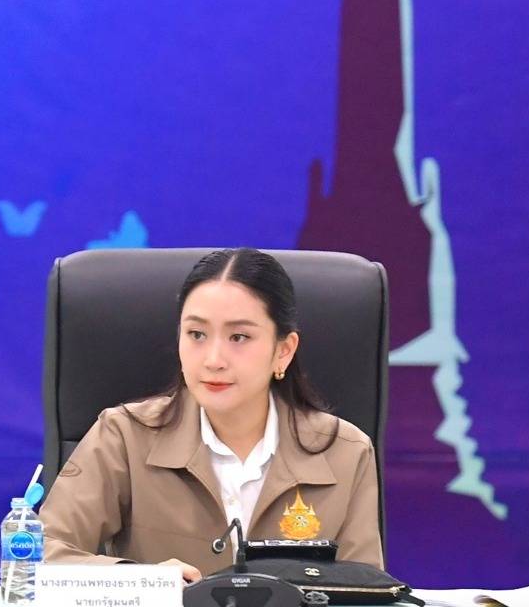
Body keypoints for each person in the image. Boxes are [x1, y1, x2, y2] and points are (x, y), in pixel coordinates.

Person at [42, 247, 383, 580]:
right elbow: (42, 553)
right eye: (197, 335)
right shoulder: (123, 436)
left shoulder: (345, 452)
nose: (213, 359)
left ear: (283, 350)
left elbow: (367, 592)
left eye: (239, 337)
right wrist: (146, 582)